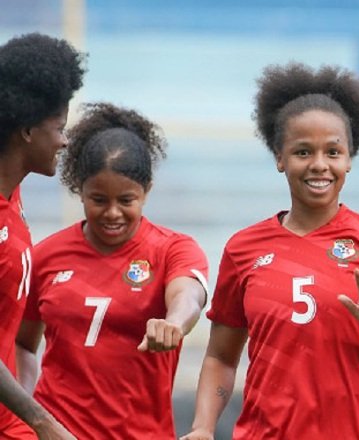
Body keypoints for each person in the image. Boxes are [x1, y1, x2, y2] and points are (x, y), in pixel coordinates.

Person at [180, 62, 359, 440]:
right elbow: (220, 356)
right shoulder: (243, 249)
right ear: (280, 158)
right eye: (303, 152)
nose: (319, 165)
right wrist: (202, 428)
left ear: (349, 158)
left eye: (333, 152)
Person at [14, 102, 209, 438]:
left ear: (146, 192)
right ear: (80, 191)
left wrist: (174, 323)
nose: (113, 213)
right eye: (99, 200)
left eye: (126, 200)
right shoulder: (46, 256)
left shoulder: (172, 249)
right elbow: (22, 344)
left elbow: (189, 293)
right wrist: (29, 418)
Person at [0, 32, 85, 439]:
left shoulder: (12, 192)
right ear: (28, 130)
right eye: (60, 127)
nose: (65, 140)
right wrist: (42, 420)